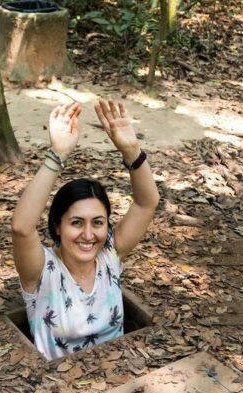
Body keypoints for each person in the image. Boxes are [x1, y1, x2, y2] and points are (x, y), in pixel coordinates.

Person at [12, 99, 159, 360]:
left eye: (98, 222)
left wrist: (132, 151)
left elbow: (146, 203)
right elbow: (22, 228)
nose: (89, 235)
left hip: (119, 379)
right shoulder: (41, 271)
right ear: (57, 225)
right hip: (58, 392)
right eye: (76, 222)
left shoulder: (109, 256)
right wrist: (57, 155)